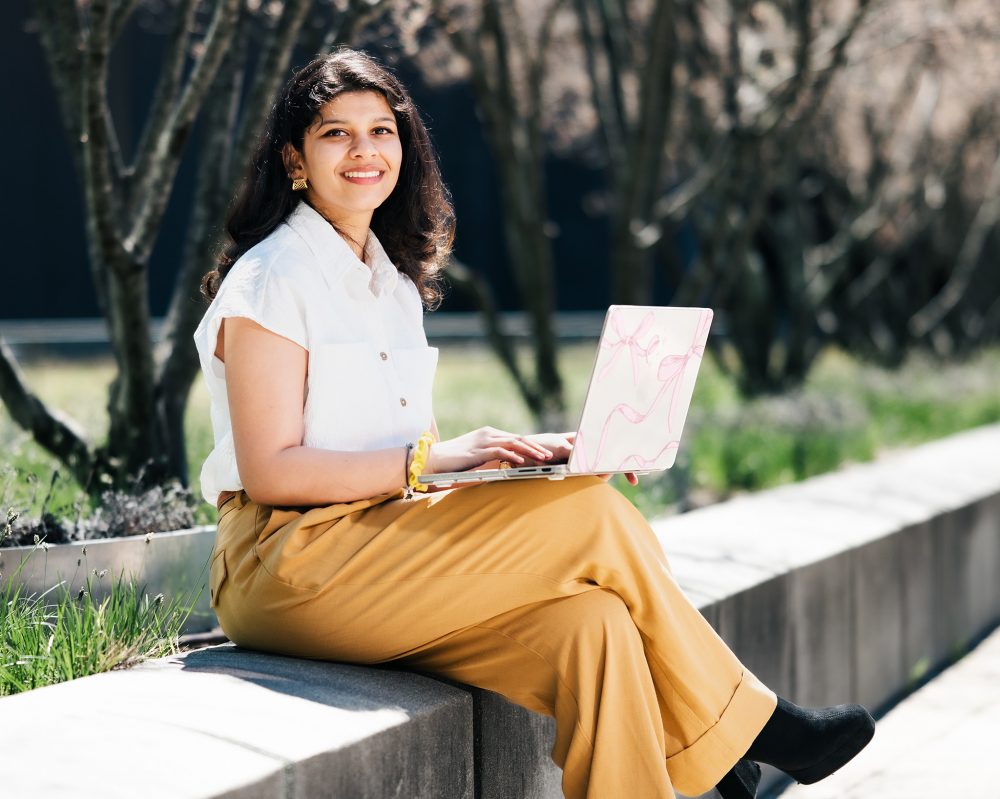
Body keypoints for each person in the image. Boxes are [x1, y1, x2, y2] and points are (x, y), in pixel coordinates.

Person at [193, 48, 874, 799]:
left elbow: (395, 459)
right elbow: (272, 471)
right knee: (591, 513)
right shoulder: (270, 278)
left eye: (381, 131)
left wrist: (520, 463)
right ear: (295, 158)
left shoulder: (389, 283)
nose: (364, 152)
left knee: (595, 627)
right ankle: (751, 727)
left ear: (404, 146)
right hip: (285, 565)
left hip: (377, 546)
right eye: (335, 134)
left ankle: (720, 743)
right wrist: (439, 460)